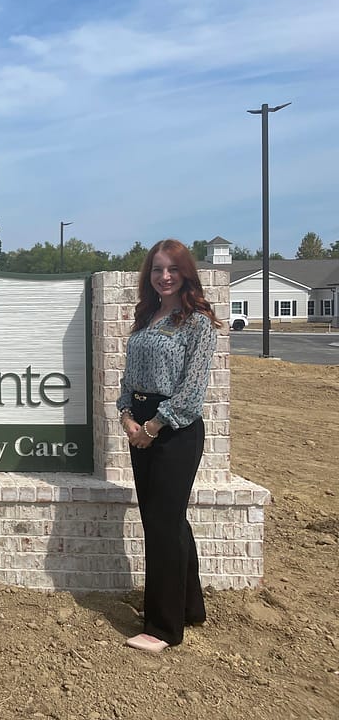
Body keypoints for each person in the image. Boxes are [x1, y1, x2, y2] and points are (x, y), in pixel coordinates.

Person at [116, 238, 222, 653]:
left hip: (175, 431)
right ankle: (189, 607)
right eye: (157, 269)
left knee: (162, 524)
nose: (164, 277)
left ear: (185, 274)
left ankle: (162, 627)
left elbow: (192, 391)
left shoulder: (195, 323)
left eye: (172, 270)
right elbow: (129, 378)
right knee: (168, 521)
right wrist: (126, 417)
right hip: (139, 426)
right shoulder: (146, 317)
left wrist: (154, 426)